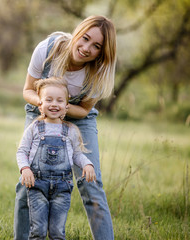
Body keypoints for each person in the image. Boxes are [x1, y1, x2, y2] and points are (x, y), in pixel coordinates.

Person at [14, 15, 117, 240]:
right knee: (27, 182)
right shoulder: (48, 49)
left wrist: (62, 108)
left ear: (102, 52)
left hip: (78, 116)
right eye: (85, 38)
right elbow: (28, 90)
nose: (86, 48)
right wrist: (45, 104)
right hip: (39, 110)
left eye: (96, 46)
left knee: (92, 183)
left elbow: (84, 110)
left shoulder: (99, 73)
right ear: (78, 32)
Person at [17, 77, 96, 239]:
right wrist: (25, 168)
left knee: (57, 232)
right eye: (49, 100)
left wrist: (87, 164)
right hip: (37, 185)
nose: (54, 104)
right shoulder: (34, 128)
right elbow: (21, 152)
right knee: (38, 230)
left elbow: (76, 155)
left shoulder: (71, 131)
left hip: (62, 188)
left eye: (59, 100)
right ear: (40, 105)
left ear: (66, 107)